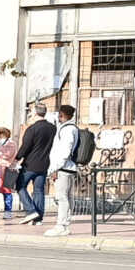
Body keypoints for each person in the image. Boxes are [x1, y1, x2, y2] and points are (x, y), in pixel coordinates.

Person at [45, 101, 85, 236]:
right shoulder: (69, 128)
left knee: (61, 197)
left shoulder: (68, 129)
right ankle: (65, 224)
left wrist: (54, 168)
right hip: (66, 167)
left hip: (63, 167)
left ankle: (61, 225)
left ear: (62, 115)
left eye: (59, 115)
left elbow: (64, 151)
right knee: (66, 197)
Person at [13, 101, 56, 225]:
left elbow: (25, 146)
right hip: (44, 164)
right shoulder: (52, 128)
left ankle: (31, 211)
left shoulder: (32, 129)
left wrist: (17, 158)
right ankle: (38, 218)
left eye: (31, 112)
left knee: (20, 186)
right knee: (39, 190)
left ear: (35, 113)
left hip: (30, 164)